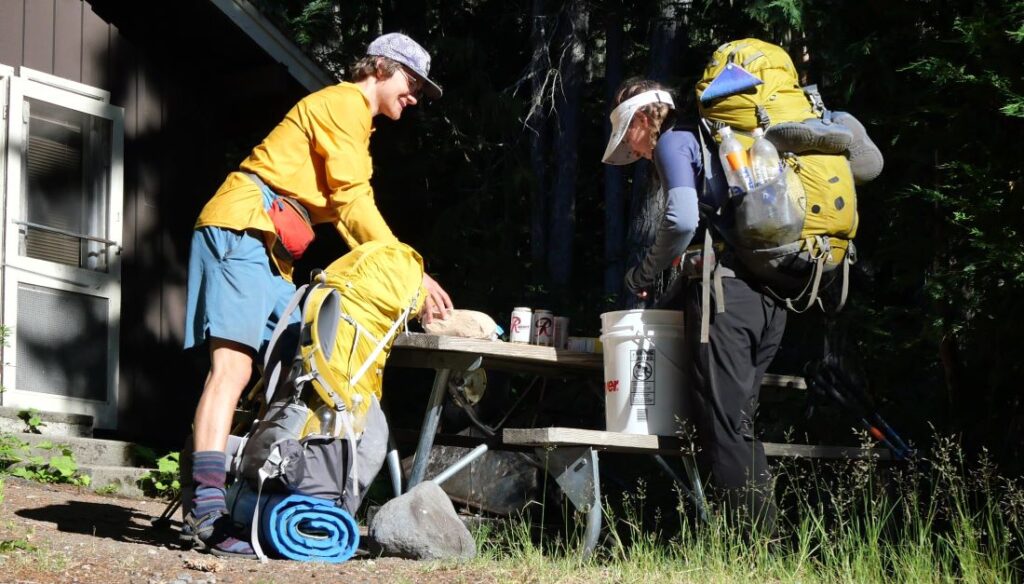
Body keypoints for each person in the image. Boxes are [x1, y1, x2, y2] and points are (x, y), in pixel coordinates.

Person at [182, 33, 453, 557]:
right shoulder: (341, 103)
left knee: (281, 371)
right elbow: (352, 201)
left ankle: (235, 496)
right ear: (380, 67)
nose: (414, 95)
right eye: (411, 81)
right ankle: (206, 514)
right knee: (233, 371)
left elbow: (347, 211)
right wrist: (407, 271)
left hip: (271, 247)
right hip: (243, 228)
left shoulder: (355, 120)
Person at [601, 78, 786, 528]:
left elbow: (682, 217)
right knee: (738, 424)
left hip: (725, 296)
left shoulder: (674, 142)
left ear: (646, 118)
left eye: (629, 132)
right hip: (773, 295)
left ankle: (751, 547)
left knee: (722, 427)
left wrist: (644, 272)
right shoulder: (721, 147)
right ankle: (770, 541)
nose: (632, 146)